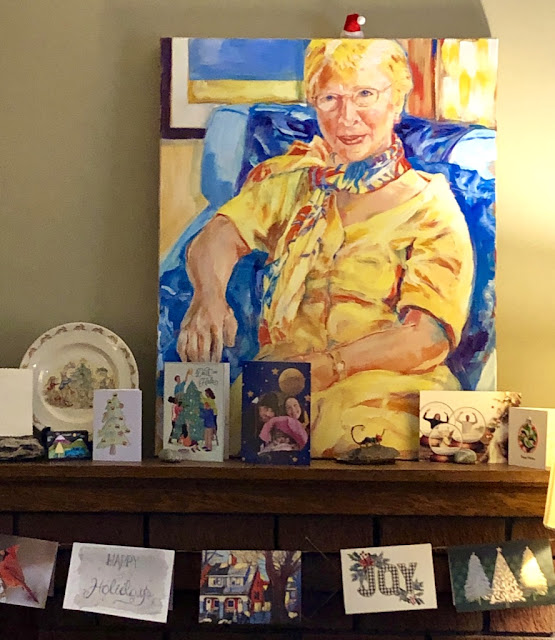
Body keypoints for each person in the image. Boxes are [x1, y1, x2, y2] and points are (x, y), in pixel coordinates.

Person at [177, 39, 474, 459]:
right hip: (279, 384)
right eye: (330, 99)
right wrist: (209, 294)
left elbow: (428, 337)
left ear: (397, 101)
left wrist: (331, 366)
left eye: (365, 95)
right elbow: (218, 235)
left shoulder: (431, 205)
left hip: (385, 390)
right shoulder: (297, 183)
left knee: (345, 443)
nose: (346, 117)